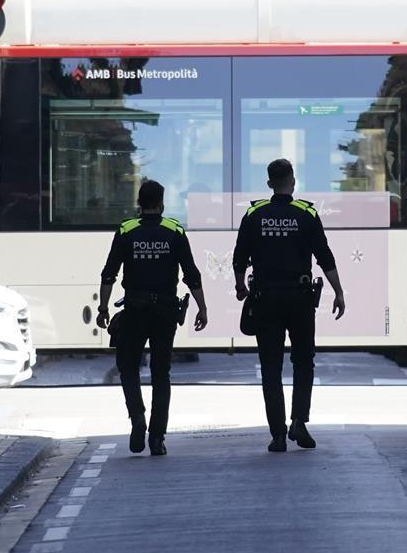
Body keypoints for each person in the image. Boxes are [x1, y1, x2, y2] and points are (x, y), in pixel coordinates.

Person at [232, 158, 346, 452]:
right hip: (300, 300)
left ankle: (278, 434)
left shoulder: (254, 214)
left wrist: (241, 285)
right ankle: (299, 422)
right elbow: (325, 256)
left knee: (271, 367)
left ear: (270, 183)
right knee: (303, 362)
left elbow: (239, 256)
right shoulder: (306, 213)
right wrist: (338, 291)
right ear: (292, 180)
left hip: (265, 299)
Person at [97, 180, 208, 455]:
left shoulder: (126, 230)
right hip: (165, 313)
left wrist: (103, 307)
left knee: (128, 366)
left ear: (139, 203)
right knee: (161, 373)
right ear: (161, 203)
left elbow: (109, 273)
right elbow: (191, 274)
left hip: (135, 310)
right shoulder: (174, 231)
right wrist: (202, 307)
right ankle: (157, 438)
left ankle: (137, 418)